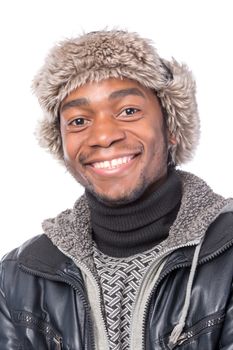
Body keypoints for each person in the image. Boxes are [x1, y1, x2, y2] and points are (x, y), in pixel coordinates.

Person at [0, 30, 233, 350]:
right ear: (63, 146)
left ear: (171, 129)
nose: (104, 136)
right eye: (79, 121)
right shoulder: (20, 277)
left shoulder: (228, 253)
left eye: (128, 111)